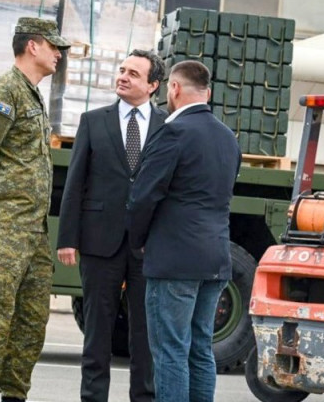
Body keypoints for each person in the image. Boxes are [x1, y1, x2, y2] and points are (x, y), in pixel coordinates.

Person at [0, 17, 70, 402]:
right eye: (53, 46)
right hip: (4, 227)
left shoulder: (31, 93)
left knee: (31, 323)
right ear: (32, 46)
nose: (59, 54)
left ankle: (14, 394)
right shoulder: (5, 91)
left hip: (33, 231)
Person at [126, 60, 241, 402]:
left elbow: (143, 196)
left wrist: (138, 241)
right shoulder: (228, 138)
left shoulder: (173, 132)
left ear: (173, 88)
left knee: (170, 350)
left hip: (175, 260)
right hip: (216, 257)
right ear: (208, 92)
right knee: (200, 347)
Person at [57, 49, 168, 402]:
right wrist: (67, 238)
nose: (123, 77)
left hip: (149, 245)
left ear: (153, 85)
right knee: (97, 331)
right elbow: (75, 182)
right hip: (98, 241)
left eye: (133, 73)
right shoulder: (93, 121)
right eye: (122, 70)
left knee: (145, 334)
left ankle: (144, 398)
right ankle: (93, 398)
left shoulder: (168, 126)